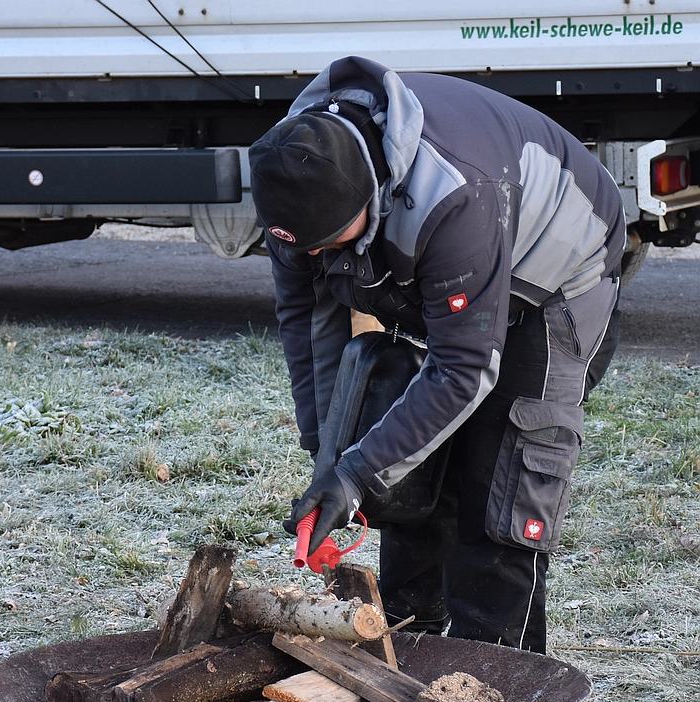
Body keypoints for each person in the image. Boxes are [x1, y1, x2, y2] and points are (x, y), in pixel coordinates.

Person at [248, 56, 625, 654]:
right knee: (416, 474)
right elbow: (308, 318)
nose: (319, 257)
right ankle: (406, 643)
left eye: (331, 244)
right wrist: (329, 454)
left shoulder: (453, 197)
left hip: (557, 278)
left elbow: (465, 367)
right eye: (307, 249)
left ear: (370, 197)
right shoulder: (293, 180)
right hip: (462, 272)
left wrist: (353, 473)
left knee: (499, 480)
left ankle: (495, 674)